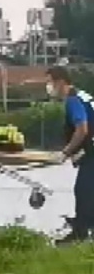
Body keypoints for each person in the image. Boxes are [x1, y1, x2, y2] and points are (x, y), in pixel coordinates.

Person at [46, 65, 94, 245]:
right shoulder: (83, 95)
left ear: (60, 82)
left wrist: (65, 152)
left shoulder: (73, 100)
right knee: (88, 190)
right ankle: (86, 226)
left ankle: (80, 234)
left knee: (83, 190)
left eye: (49, 82)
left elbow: (82, 130)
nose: (48, 87)